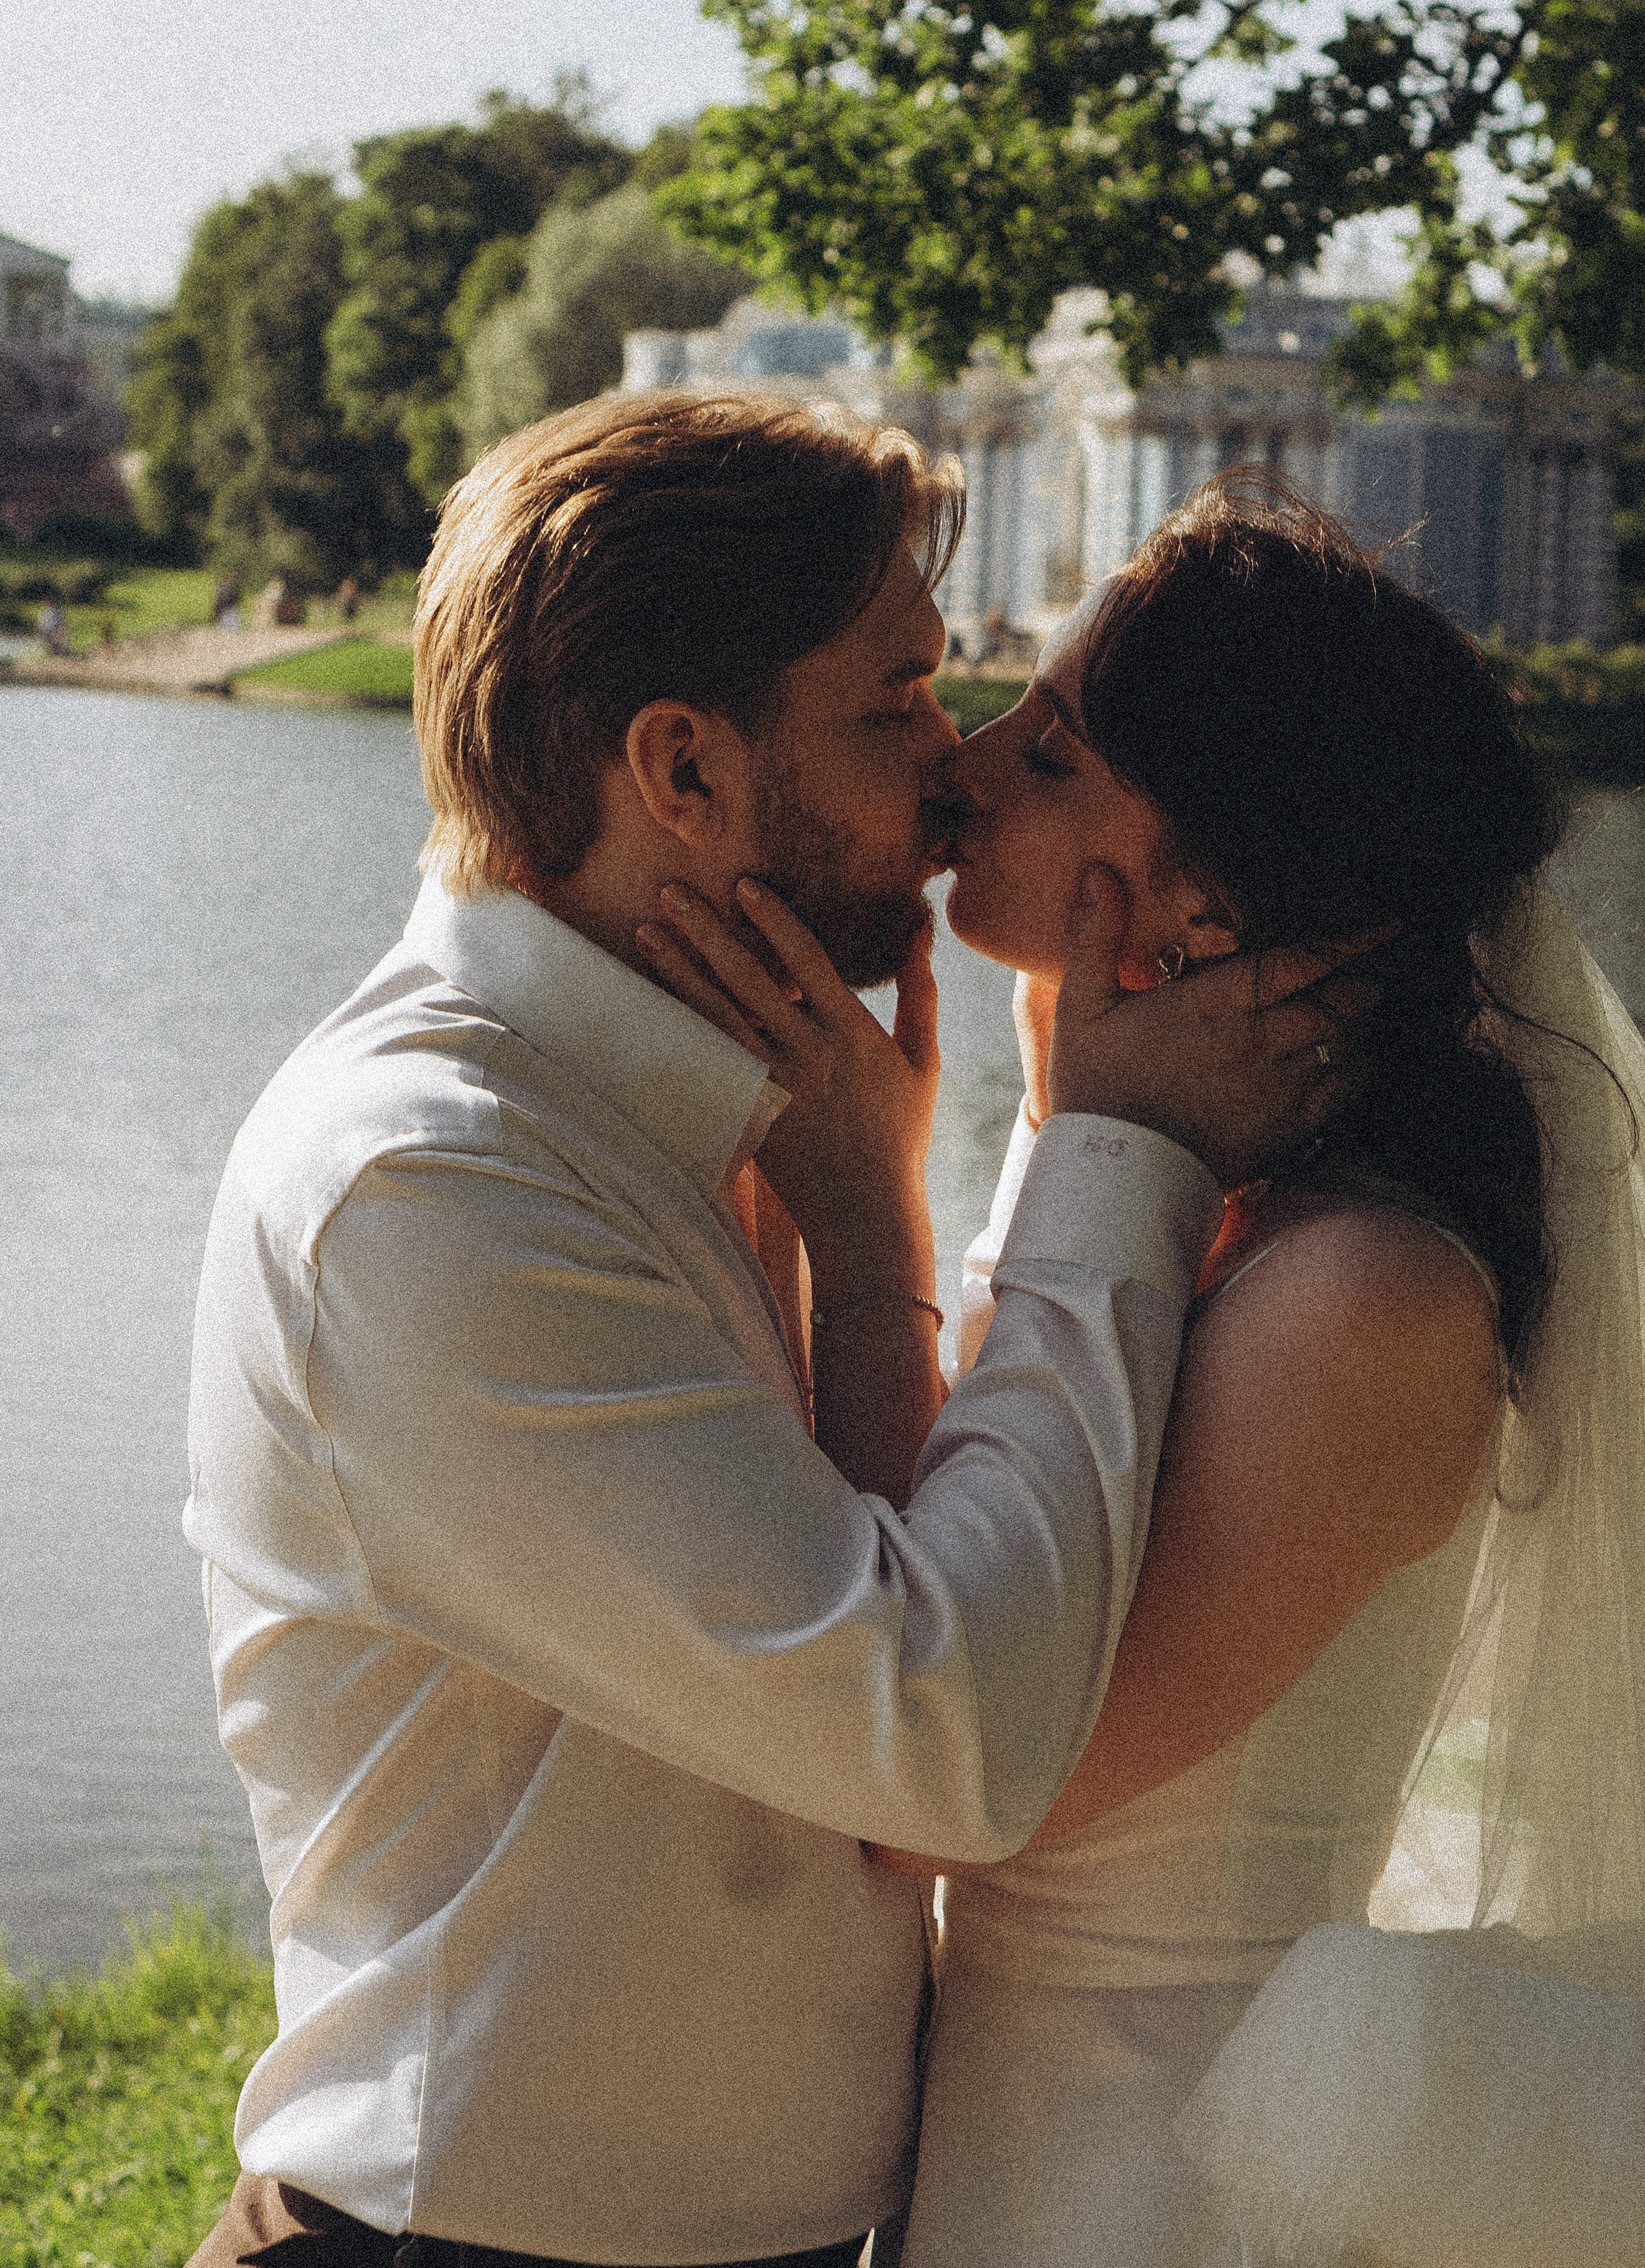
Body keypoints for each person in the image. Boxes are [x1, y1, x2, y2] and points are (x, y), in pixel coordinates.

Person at [182, 395, 1346, 2268]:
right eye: (893, 701)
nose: (954, 769)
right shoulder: (433, 1187)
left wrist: (863, 1221)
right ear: (684, 771)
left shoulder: (729, 1098)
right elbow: (944, 1737)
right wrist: (1105, 1158)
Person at [852, 478, 1645, 2267]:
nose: (967, 761)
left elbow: (958, 1784)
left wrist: (883, 1218)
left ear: (1225, 884)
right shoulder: (1202, 1198)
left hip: (1154, 2172)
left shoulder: (1364, 1299)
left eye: (1060, 752)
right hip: (1010, 2123)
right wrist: (1072, 1127)